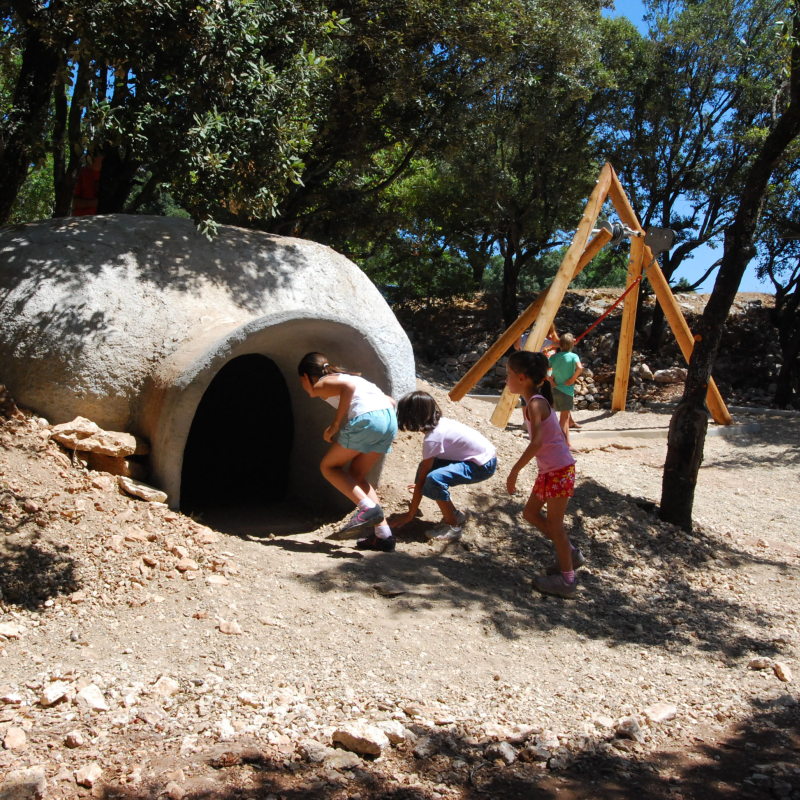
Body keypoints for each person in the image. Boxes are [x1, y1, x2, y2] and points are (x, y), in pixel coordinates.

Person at [297, 352, 398, 552]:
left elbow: (348, 388)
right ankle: (384, 535)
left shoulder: (322, 383)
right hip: (389, 420)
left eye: (301, 381)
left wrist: (335, 425)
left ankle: (367, 507)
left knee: (328, 466)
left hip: (368, 419)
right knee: (356, 476)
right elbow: (391, 401)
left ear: (306, 377)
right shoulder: (352, 379)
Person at [505, 350, 585, 599]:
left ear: (522, 377)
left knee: (555, 525)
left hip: (558, 471)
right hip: (551, 470)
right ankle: (569, 553)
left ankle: (567, 580)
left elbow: (537, 442)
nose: (506, 379)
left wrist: (514, 471)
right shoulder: (535, 402)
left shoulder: (535, 404)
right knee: (529, 513)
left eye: (508, 375)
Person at [390, 392, 497, 543]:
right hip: (482, 457)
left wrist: (410, 514)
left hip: (482, 465)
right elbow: (424, 472)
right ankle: (454, 514)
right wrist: (421, 486)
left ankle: (452, 527)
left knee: (434, 479)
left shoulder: (432, 439)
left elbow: (423, 479)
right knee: (426, 472)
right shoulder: (440, 423)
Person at [547, 333, 583, 447]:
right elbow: (580, 368)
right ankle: (560, 443)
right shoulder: (573, 356)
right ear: (572, 344)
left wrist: (551, 380)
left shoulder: (553, 357)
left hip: (555, 390)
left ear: (559, 344)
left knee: (566, 418)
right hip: (567, 391)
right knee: (563, 419)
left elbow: (544, 369)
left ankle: (568, 443)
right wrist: (573, 379)